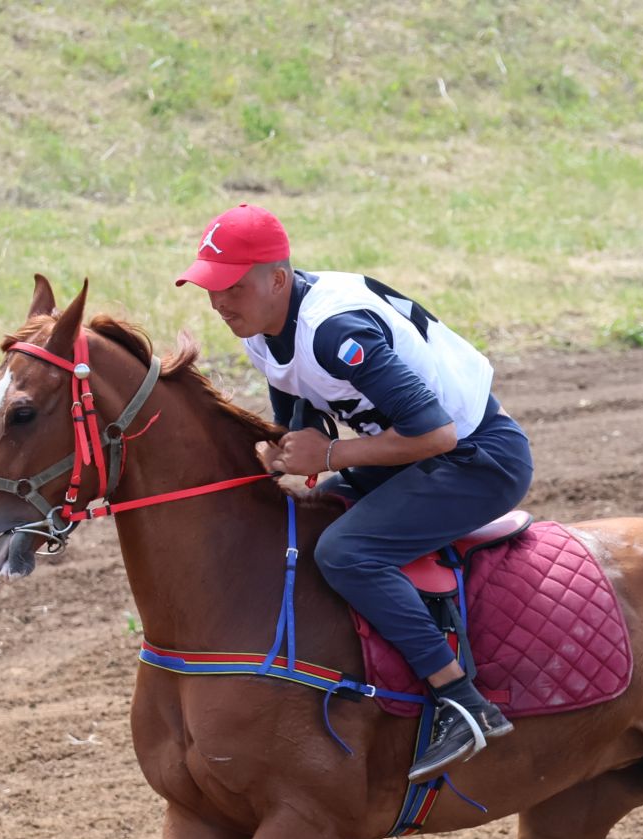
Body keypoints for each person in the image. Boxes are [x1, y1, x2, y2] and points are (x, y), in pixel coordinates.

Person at [175, 203, 534, 782]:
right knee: (311, 518)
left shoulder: (335, 331)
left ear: (277, 279)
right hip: (419, 456)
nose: (219, 303)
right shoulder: (264, 331)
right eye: (211, 288)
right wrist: (285, 449)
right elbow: (302, 415)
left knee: (347, 551)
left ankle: (462, 700)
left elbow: (436, 433)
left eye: (232, 287)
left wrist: (331, 455)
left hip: (477, 459)